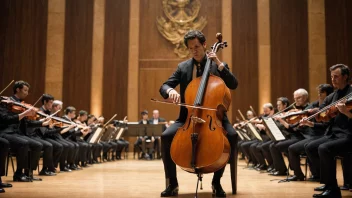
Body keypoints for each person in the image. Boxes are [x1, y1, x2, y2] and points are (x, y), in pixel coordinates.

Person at [159, 30, 238, 197]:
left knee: (231, 136)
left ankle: (216, 182)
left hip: (215, 118)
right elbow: (164, 86)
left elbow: (233, 83)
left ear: (204, 45)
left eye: (196, 46)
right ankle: (172, 183)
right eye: (190, 48)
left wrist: (219, 62)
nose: (194, 50)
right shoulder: (183, 67)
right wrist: (171, 90)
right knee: (166, 136)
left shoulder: (217, 65)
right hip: (188, 118)